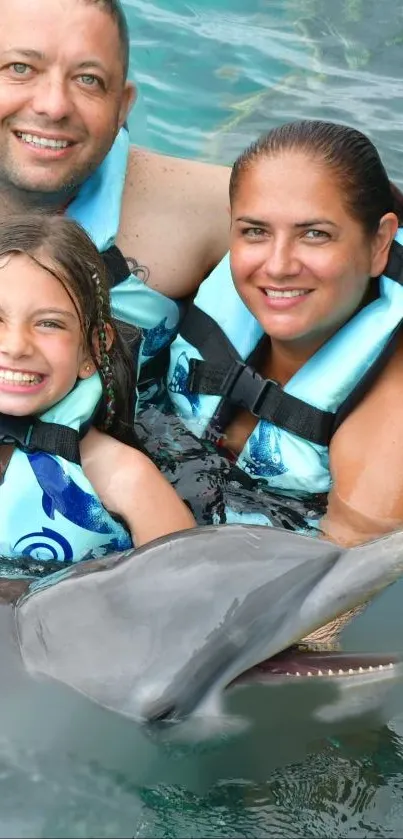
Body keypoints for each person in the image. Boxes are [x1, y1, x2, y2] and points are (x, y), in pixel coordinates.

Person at [166, 119, 403, 547]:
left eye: (315, 234)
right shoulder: (206, 288)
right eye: (255, 231)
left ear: (379, 243)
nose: (278, 265)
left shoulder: (389, 423)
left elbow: (335, 596)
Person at [0, 0, 230, 387]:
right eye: (20, 69)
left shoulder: (199, 211)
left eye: (88, 79)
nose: (54, 106)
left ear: (122, 106)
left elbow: (357, 238)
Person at [0, 214, 195, 566]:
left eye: (48, 323)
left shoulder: (128, 481)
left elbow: (193, 596)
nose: (15, 346)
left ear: (92, 349)